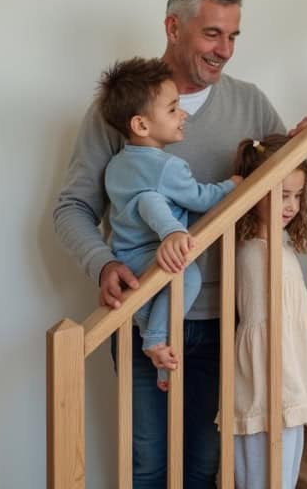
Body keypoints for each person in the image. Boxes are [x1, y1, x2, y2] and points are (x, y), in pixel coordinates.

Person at [54, 0, 307, 488]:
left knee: (203, 468)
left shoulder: (251, 103)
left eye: (234, 35)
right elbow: (71, 208)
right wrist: (102, 262)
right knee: (148, 467)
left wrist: (303, 147)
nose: (225, 49)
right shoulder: (121, 111)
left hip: (227, 322)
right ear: (174, 27)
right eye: (213, 33)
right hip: (142, 315)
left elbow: (283, 193)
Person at [97, 57, 241, 390]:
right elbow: (201, 199)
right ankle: (157, 341)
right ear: (142, 125)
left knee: (148, 311)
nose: (184, 115)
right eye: (173, 109)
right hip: (152, 255)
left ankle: (159, 357)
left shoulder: (117, 165)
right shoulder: (167, 167)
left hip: (125, 258)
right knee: (188, 274)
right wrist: (232, 185)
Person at [229, 135, 307, 489]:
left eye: (298, 196)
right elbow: (268, 337)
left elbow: (298, 334)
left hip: (287, 397)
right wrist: (298, 396)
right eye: (282, 195)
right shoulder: (257, 255)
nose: (291, 205)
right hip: (271, 398)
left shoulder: (278, 250)